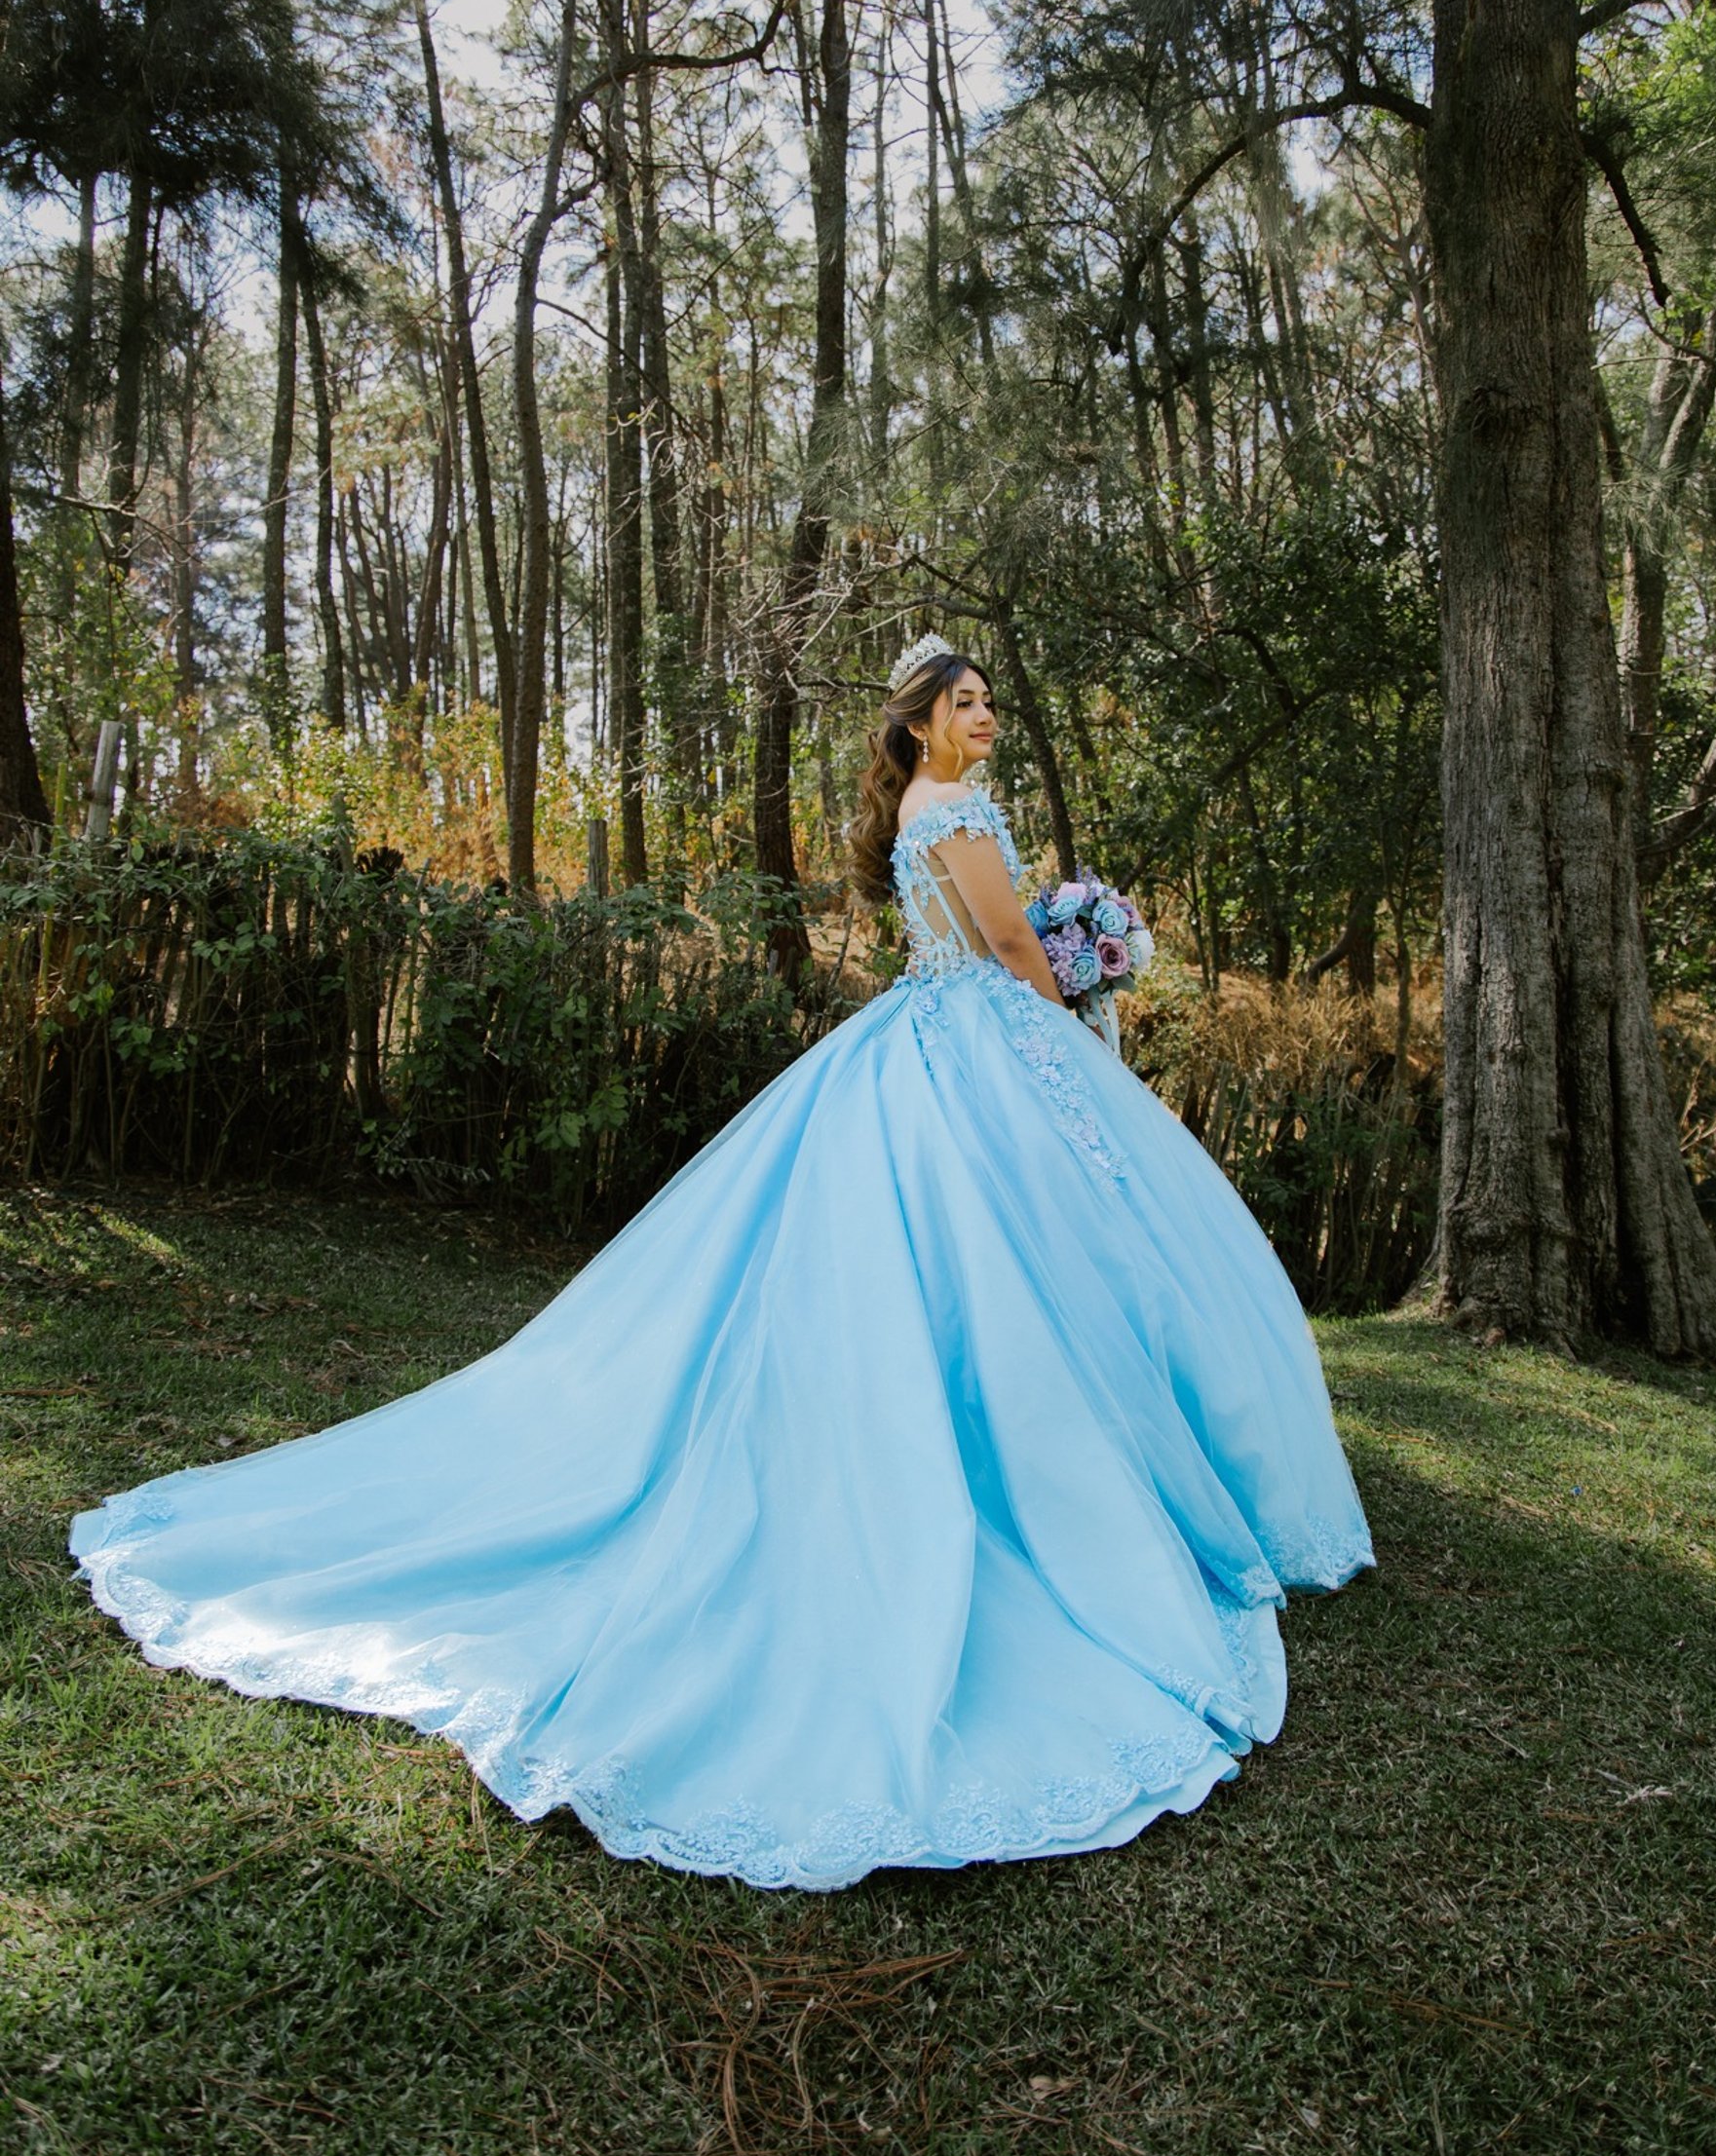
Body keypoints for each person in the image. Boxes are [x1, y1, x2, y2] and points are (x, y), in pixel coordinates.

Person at [71, 639, 1372, 1889]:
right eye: (965, 703)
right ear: (923, 721)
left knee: (979, 1278)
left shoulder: (927, 807)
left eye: (986, 704)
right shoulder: (957, 812)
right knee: (1027, 1269)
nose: (985, 719)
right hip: (983, 1047)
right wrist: (1080, 983)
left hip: (924, 1043)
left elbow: (973, 938)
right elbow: (1014, 951)